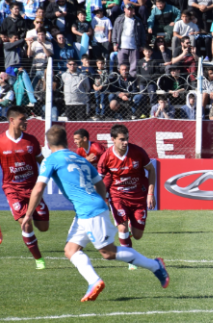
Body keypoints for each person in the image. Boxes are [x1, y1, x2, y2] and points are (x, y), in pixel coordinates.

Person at [24, 125, 168, 302]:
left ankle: (156, 266)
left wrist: (29, 214)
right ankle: (94, 281)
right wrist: (97, 203)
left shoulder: (51, 160)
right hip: (87, 210)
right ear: (68, 141)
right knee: (71, 250)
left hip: (89, 211)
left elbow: (38, 189)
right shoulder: (80, 158)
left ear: (47, 143)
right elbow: (100, 185)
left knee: (108, 253)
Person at [96, 124, 156, 270]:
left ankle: (131, 225)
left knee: (137, 235)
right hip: (118, 196)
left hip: (138, 197)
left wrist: (150, 193)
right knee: (122, 229)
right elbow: (99, 181)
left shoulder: (138, 152)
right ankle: (131, 260)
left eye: (127, 139)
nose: (125, 142)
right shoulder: (106, 157)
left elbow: (151, 170)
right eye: (122, 139)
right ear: (113, 140)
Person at [0, 108, 48, 269]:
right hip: (12, 190)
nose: (25, 122)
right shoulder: (1, 142)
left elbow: (42, 160)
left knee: (43, 227)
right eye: (22, 119)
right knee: (25, 223)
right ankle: (39, 260)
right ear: (12, 120)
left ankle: (33, 213)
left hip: (33, 190)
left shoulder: (31, 140)